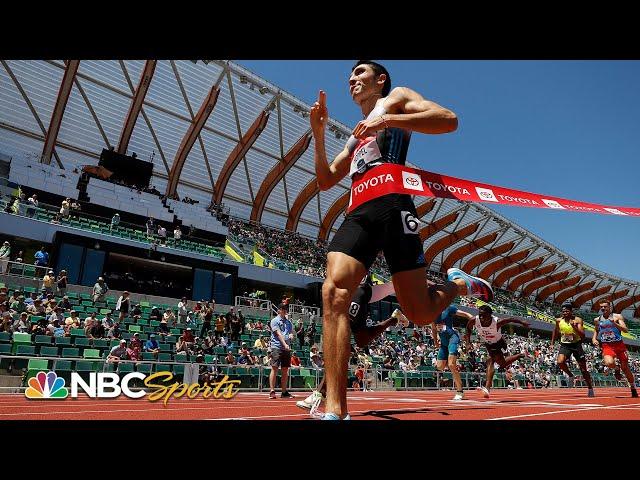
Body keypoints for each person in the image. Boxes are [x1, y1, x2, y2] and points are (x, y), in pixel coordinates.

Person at [310, 60, 494, 419]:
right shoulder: (355, 133)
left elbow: (448, 119)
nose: (351, 79)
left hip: (393, 202)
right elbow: (326, 180)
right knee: (333, 291)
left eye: (359, 73)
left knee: (420, 312)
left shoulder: (396, 98)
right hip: (359, 207)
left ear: (380, 79)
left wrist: (389, 120)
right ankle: (335, 408)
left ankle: (456, 284)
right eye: (349, 76)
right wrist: (317, 135)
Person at [296, 275, 409, 417]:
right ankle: (393, 320)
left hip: (357, 290)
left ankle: (319, 395)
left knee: (340, 346)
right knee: (360, 340)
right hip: (353, 291)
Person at [464, 305, 530, 399]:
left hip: (499, 343)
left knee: (491, 361)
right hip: (488, 343)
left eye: (484, 315)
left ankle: (487, 388)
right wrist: (468, 342)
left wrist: (522, 323)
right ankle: (519, 355)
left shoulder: (497, 322)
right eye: (480, 315)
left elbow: (511, 319)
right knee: (500, 363)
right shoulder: (475, 320)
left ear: (490, 315)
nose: (481, 317)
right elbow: (468, 329)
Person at [592, 300, 638, 398]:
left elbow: (625, 330)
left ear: (610, 307)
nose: (603, 308)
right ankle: (616, 368)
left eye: (605, 306)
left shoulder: (617, 317)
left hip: (619, 345)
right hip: (607, 345)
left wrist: (615, 324)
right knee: (609, 363)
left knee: (625, 369)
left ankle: (633, 388)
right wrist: (594, 338)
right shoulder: (597, 319)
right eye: (601, 307)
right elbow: (596, 329)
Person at [550, 302, 594, 397]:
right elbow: (555, 331)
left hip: (576, 345)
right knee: (560, 362)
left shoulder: (577, 320)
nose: (564, 313)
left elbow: (583, 335)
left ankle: (590, 388)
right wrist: (552, 343)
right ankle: (570, 375)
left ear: (571, 311)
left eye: (566, 311)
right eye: (563, 311)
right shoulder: (558, 320)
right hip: (565, 344)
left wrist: (574, 327)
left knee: (583, 369)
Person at [432, 304, 475, 400]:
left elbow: (464, 314)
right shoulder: (432, 314)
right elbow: (434, 329)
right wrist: (435, 341)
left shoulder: (448, 308)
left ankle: (460, 391)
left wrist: (473, 319)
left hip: (453, 338)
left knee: (451, 365)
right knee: (439, 367)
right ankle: (452, 359)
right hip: (443, 343)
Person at [268, 304, 295, 399]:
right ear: (279, 310)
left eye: (286, 309)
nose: (284, 310)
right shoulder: (274, 321)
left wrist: (291, 335)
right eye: (283, 309)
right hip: (277, 347)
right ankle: (272, 391)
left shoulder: (288, 322)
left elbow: (291, 332)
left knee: (285, 369)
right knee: (274, 368)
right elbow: (278, 334)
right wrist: (285, 344)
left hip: (286, 348)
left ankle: (284, 392)